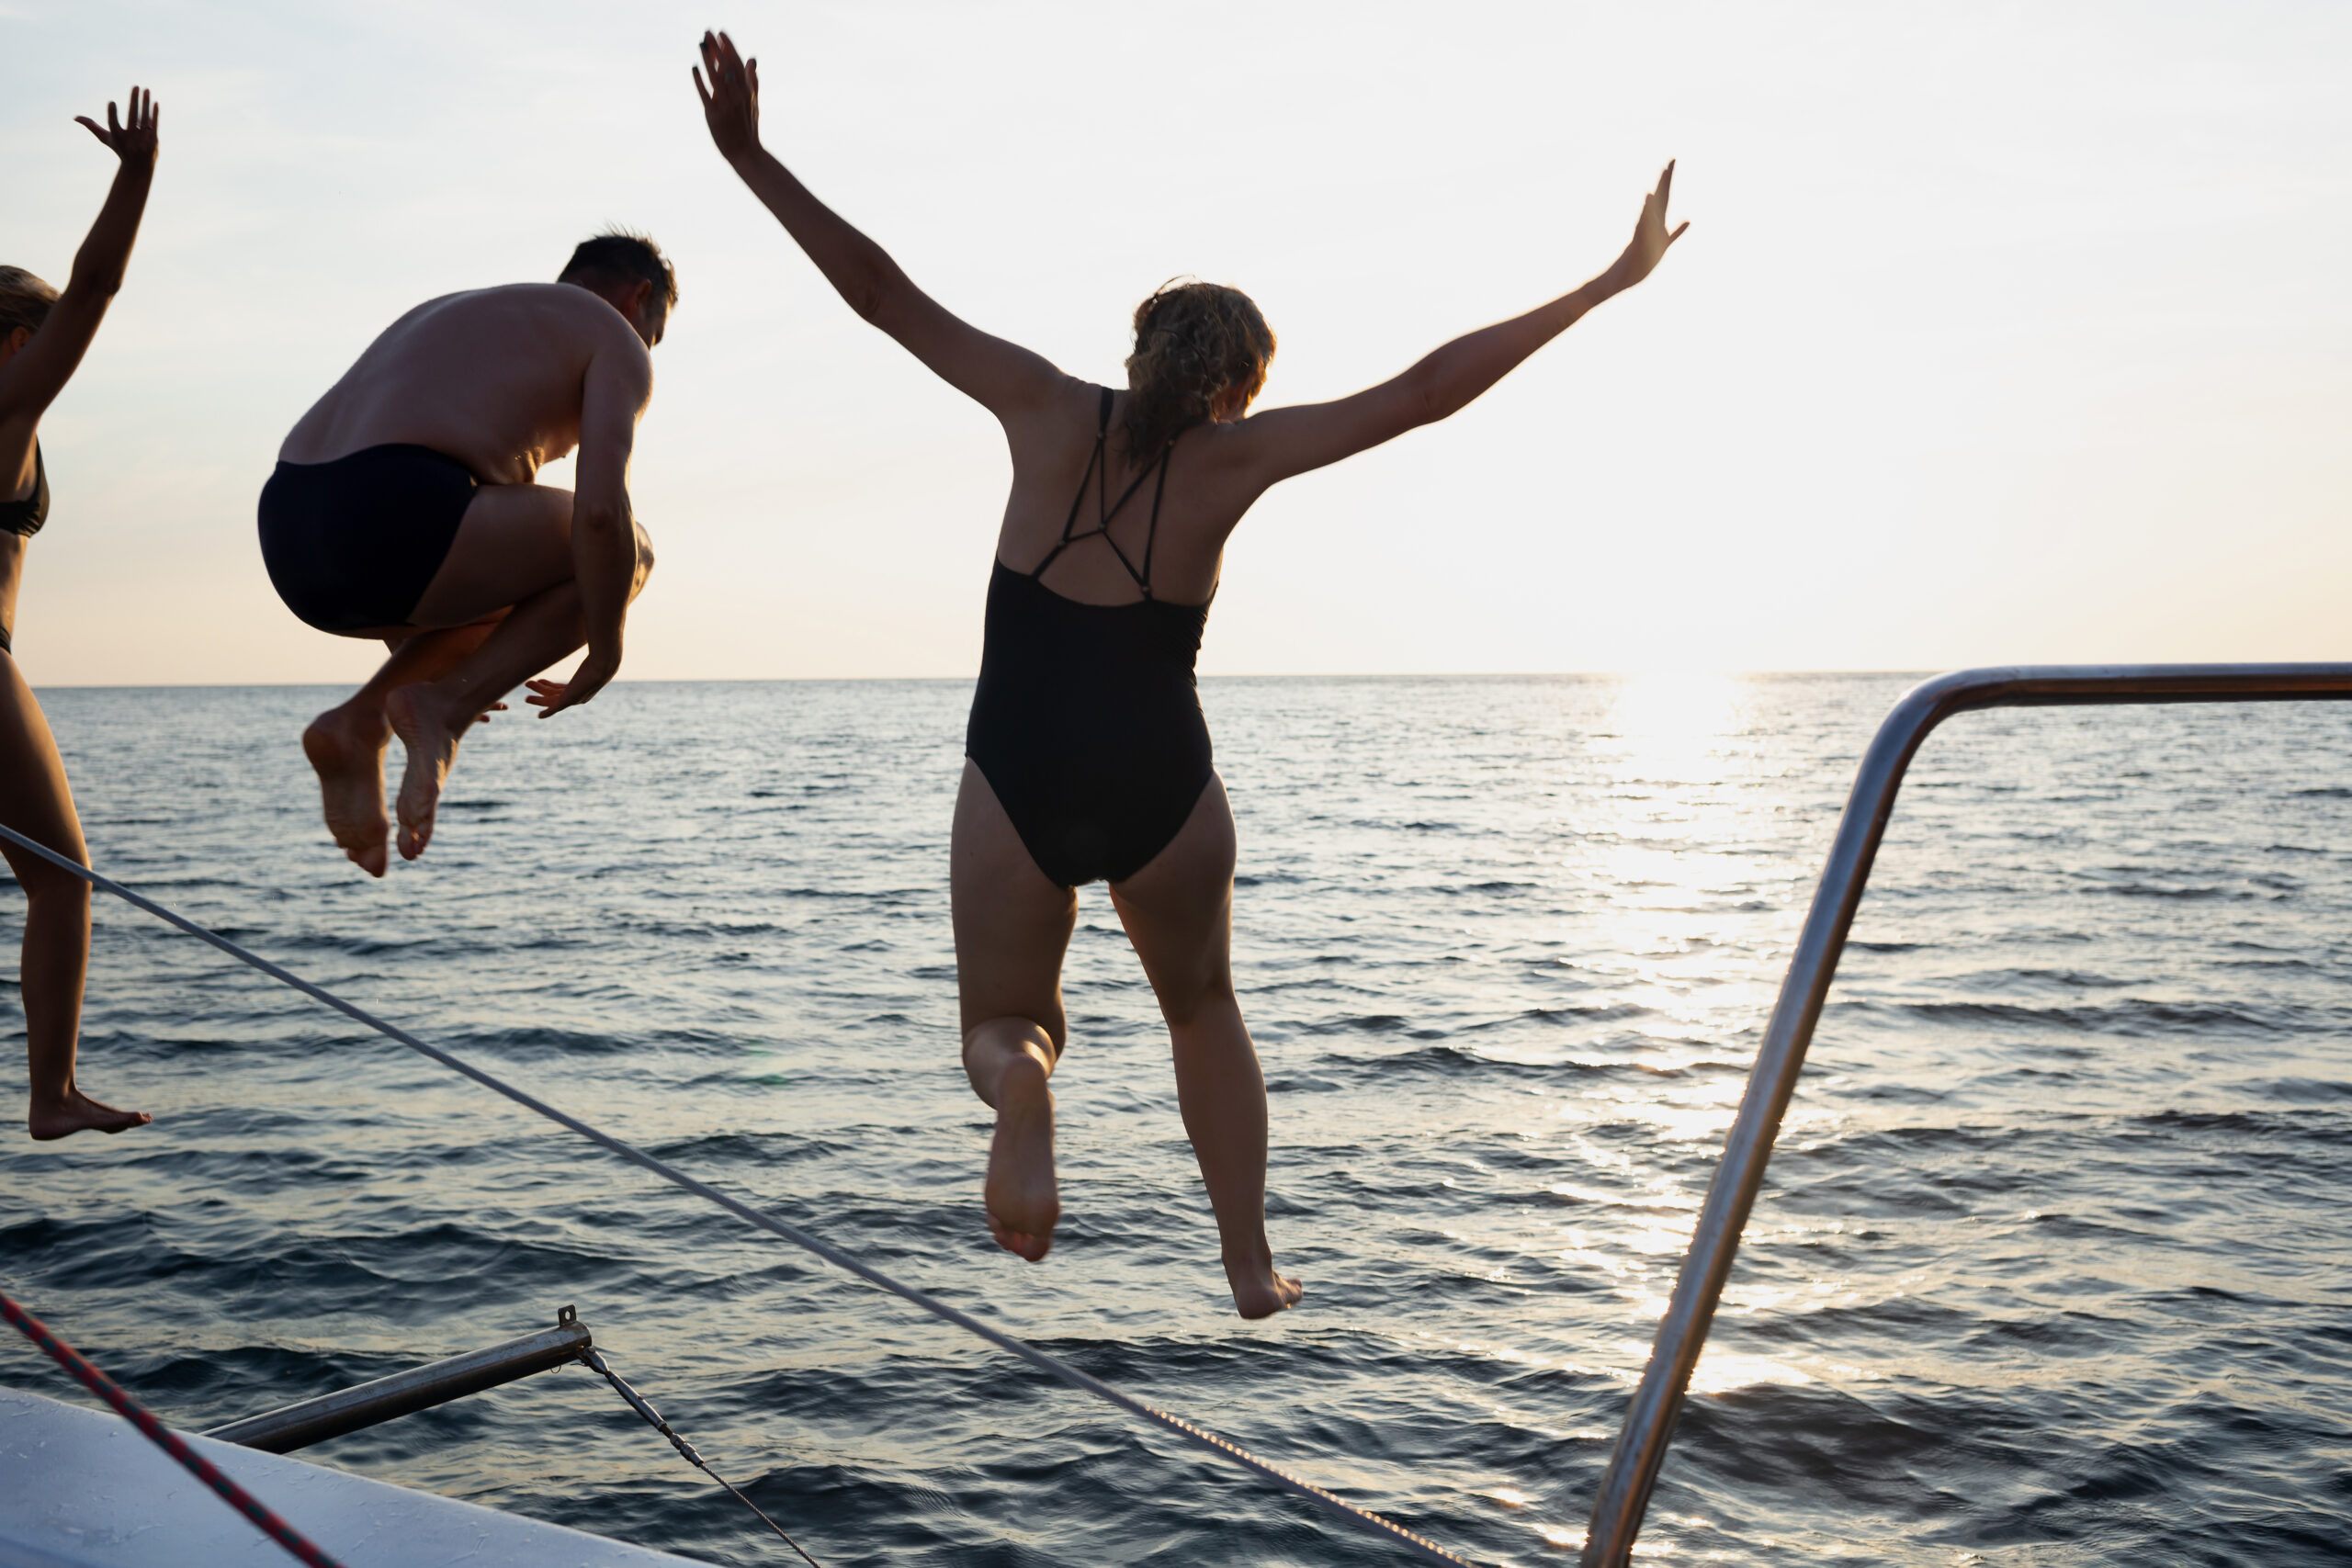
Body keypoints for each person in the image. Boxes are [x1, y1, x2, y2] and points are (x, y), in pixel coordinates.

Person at [695, 30, 1685, 1316]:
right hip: (1163, 775)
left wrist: (750, 157)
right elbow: (1431, 390)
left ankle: (1028, 1084)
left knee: (999, 1022)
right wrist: (1610, 280)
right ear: (1234, 389)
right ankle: (1245, 1257)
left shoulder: (1042, 409)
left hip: (1018, 763)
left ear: (1141, 351)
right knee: (1203, 1006)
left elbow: (878, 290)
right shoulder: (1236, 459)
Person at [262, 232, 673, 874]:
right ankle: (441, 711)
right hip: (398, 510)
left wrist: (431, 655)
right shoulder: (612, 336)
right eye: (655, 334)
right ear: (638, 296)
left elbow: (390, 510)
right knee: (631, 553)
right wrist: (604, 650)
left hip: (290, 536)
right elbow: (599, 515)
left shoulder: (458, 318)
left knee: (519, 598)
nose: (646, 352)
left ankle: (361, 724)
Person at [0, 88, 161, 1140]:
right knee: (63, 881)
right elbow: (96, 289)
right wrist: (135, 174)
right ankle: (50, 1097)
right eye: (41, 330)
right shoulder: (7, 408)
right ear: (17, 338)